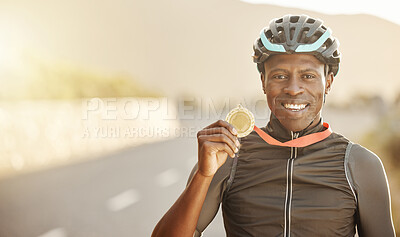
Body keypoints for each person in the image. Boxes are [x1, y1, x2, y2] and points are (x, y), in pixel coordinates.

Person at [151, 14, 396, 237]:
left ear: (328, 82)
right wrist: (204, 176)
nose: (293, 88)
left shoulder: (361, 165)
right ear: (263, 82)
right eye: (279, 75)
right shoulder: (229, 157)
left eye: (308, 76)